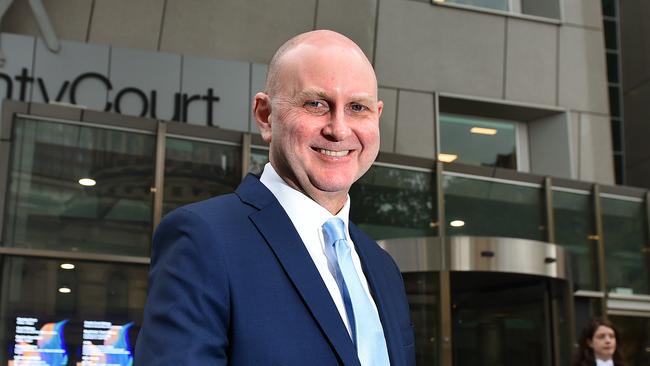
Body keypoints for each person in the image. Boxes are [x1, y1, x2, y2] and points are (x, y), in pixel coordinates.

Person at [134, 30, 416, 366]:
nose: (339, 129)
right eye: (316, 104)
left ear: (377, 116)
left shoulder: (382, 267)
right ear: (265, 115)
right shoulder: (204, 239)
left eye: (357, 107)